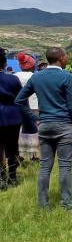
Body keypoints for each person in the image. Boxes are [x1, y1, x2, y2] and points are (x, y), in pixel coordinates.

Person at [15, 47, 72, 210]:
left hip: (44, 125)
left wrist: (35, 119)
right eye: (65, 55)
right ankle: (67, 204)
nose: (67, 58)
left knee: (45, 167)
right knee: (65, 166)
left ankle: (43, 204)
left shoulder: (37, 77)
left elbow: (19, 100)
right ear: (60, 58)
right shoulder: (66, 77)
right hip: (64, 125)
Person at [0, 48, 25, 189]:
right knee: (12, 148)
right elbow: (21, 99)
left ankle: (1, 178)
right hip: (12, 118)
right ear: (4, 63)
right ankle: (13, 177)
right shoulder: (12, 79)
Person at [15, 52, 39, 162]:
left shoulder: (15, 76)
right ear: (32, 65)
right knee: (33, 131)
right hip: (34, 106)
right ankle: (33, 155)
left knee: (20, 131)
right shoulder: (36, 76)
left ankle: (20, 154)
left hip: (19, 106)